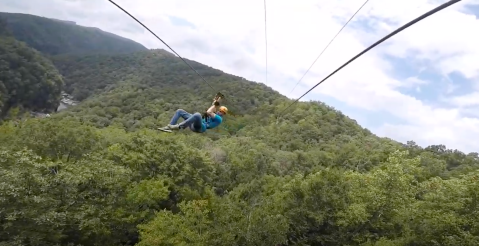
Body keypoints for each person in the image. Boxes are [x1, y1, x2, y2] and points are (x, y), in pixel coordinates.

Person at [158, 99, 228, 133]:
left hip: (201, 127)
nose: (220, 112)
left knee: (197, 115)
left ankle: (179, 126)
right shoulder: (215, 114)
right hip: (193, 124)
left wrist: (215, 104)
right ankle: (169, 127)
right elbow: (213, 109)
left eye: (222, 112)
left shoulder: (219, 119)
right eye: (220, 111)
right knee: (180, 111)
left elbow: (209, 111)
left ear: (224, 114)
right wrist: (215, 101)